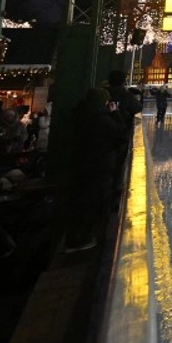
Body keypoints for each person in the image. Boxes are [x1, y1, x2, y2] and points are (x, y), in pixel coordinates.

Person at [65, 87, 128, 252]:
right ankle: (86, 240)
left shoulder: (80, 115)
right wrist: (115, 113)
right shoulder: (102, 120)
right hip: (99, 167)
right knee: (94, 202)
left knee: (83, 202)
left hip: (81, 166)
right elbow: (122, 133)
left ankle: (79, 238)